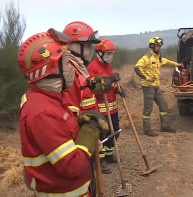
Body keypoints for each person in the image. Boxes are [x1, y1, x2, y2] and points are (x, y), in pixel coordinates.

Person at [18, 29, 108, 196]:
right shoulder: (42, 112)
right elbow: (71, 166)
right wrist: (89, 133)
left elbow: (62, 131)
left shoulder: (51, 99)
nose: (71, 70)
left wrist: (80, 124)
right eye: (66, 63)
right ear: (50, 68)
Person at [62, 21, 113, 180]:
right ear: (73, 46)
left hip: (87, 137)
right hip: (79, 143)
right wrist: (90, 134)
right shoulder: (69, 71)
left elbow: (84, 96)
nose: (91, 51)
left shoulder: (78, 68)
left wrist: (95, 86)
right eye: (88, 46)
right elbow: (70, 116)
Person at [88, 38, 126, 174]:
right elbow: (92, 89)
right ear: (99, 53)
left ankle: (109, 155)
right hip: (101, 109)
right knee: (103, 136)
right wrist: (108, 80)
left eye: (111, 53)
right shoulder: (92, 68)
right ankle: (101, 160)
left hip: (113, 108)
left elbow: (112, 85)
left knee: (115, 132)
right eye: (107, 53)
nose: (110, 56)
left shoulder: (108, 66)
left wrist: (118, 89)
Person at [134, 36, 183, 137]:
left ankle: (164, 126)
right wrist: (147, 78)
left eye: (159, 46)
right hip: (148, 87)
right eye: (157, 46)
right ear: (151, 46)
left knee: (163, 104)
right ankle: (147, 130)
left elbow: (167, 61)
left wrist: (177, 64)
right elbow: (137, 68)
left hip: (156, 86)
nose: (159, 48)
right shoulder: (146, 57)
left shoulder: (158, 57)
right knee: (148, 108)